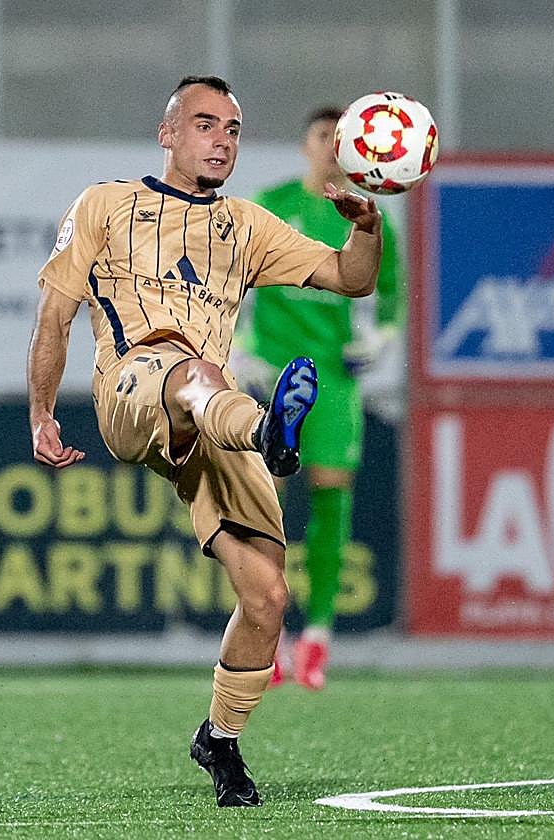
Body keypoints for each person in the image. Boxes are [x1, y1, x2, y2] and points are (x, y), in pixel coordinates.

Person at [27, 76, 382, 808]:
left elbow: (350, 278)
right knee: (195, 367)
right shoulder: (105, 205)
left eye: (234, 128)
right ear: (168, 133)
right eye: (205, 124)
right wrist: (40, 414)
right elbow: (54, 316)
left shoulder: (247, 226)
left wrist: (367, 227)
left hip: (210, 416)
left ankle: (219, 739)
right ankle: (269, 432)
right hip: (133, 390)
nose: (222, 139)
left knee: (268, 598)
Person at [238, 106, 404, 691]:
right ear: (305, 144)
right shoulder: (270, 204)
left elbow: (390, 296)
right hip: (276, 378)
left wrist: (381, 339)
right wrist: (242, 346)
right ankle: (269, 636)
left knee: (332, 504)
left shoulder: (364, 215)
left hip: (334, 380)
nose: (331, 148)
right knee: (266, 506)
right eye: (321, 137)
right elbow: (231, 282)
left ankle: (318, 638)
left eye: (342, 140)